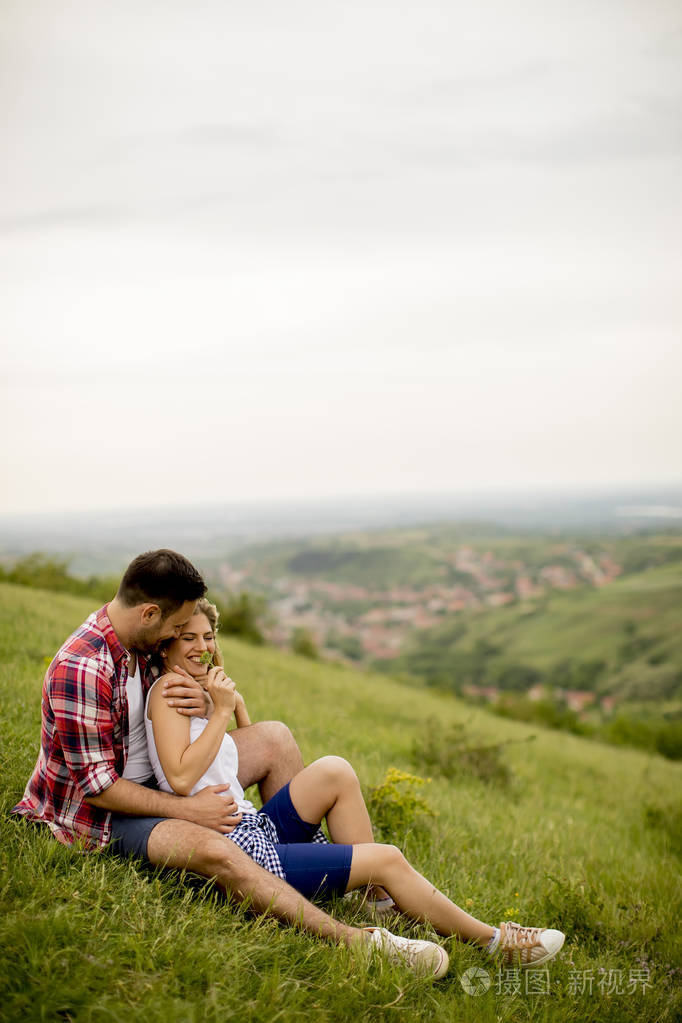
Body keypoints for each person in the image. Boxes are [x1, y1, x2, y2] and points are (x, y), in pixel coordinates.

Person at [10, 548, 455, 977]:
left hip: (160, 778)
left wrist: (209, 700)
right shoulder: (83, 667)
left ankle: (301, 864)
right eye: (179, 626)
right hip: (99, 818)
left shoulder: (141, 642)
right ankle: (353, 939)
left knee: (275, 738)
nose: (183, 636)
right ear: (150, 615)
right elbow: (100, 790)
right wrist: (187, 810)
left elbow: (174, 698)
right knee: (211, 848)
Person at [146, 597, 567, 974]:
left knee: (335, 770)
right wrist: (220, 711)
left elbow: (227, 760)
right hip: (243, 850)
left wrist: (233, 707)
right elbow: (181, 778)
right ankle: (494, 941)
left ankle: (378, 901)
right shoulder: (169, 690)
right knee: (386, 858)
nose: (202, 646)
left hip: (250, 826)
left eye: (208, 636)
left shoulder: (195, 689)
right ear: (166, 643)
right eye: (189, 638)